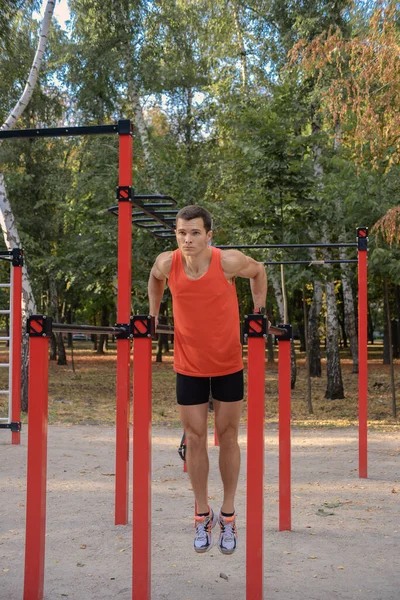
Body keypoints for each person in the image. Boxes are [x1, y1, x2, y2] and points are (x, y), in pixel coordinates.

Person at [148, 205, 267, 555]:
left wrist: (257, 312)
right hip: (188, 365)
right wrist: (153, 314)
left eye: (195, 232)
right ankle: (203, 513)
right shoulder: (168, 263)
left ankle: (228, 514)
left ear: (209, 234)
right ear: (176, 234)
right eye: (182, 232)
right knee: (196, 439)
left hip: (228, 362)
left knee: (228, 436)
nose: (188, 239)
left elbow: (258, 272)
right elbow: (154, 278)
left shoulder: (227, 261)